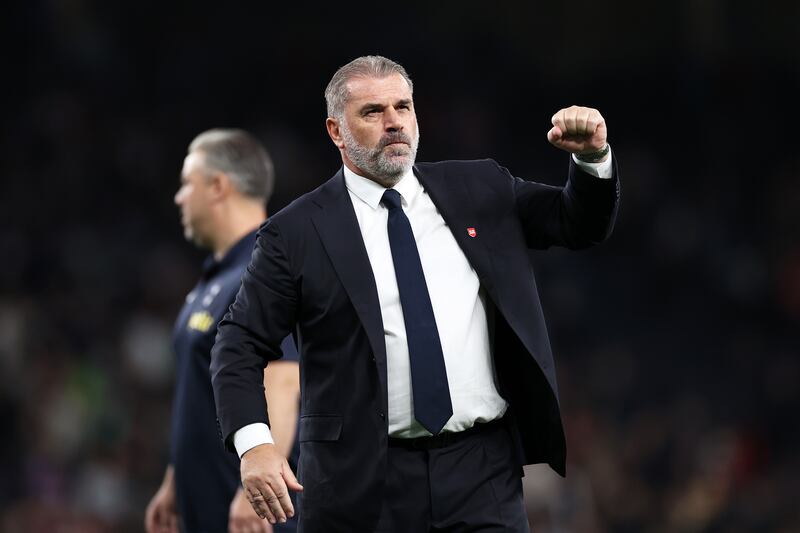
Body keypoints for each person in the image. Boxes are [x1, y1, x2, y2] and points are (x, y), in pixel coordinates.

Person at [210, 56, 620, 532]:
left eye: (402, 107)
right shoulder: (295, 232)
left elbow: (577, 223)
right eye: (372, 111)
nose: (394, 122)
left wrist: (592, 159)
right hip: (359, 485)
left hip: (482, 473)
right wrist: (255, 445)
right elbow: (238, 343)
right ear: (336, 131)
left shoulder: (479, 187)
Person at [144, 129, 300, 533]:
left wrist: (257, 490)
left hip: (251, 515)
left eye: (186, 184)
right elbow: (197, 390)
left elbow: (283, 381)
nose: (179, 197)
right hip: (209, 510)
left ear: (217, 186)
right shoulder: (216, 277)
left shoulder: (266, 269)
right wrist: (175, 479)